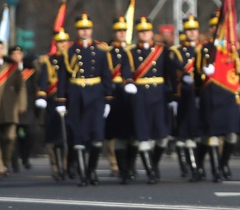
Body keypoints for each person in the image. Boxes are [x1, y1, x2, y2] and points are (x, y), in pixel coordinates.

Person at [58, 13, 113, 186]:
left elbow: (106, 76)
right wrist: (61, 100)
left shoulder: (100, 50)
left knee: (97, 137)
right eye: (81, 29)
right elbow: (62, 78)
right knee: (78, 136)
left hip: (95, 94)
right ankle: (83, 175)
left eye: (87, 29)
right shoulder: (69, 51)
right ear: (77, 31)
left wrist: (108, 99)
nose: (84, 32)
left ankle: (91, 171)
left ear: (91, 30)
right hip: (76, 94)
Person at [122, 16, 172, 184]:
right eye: (141, 32)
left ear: (152, 33)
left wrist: (174, 93)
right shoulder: (130, 52)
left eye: (147, 31)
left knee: (162, 135)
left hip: (158, 95)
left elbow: (170, 71)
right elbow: (126, 70)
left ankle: (154, 163)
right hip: (140, 95)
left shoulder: (161, 50)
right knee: (143, 135)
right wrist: (129, 82)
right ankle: (150, 170)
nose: (144, 34)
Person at [197, 10, 240, 182]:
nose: (217, 29)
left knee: (231, 135)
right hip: (211, 96)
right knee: (211, 134)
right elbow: (196, 75)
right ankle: (215, 169)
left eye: (220, 26)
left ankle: (223, 164)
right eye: (213, 27)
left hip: (229, 95)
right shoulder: (204, 49)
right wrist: (203, 74)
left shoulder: (232, 50)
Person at [169, 14, 205, 181]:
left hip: (199, 94)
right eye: (189, 30)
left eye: (194, 30)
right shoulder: (176, 52)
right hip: (182, 95)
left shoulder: (203, 50)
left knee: (197, 132)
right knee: (184, 132)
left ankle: (197, 165)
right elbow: (173, 74)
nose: (191, 33)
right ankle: (190, 166)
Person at [35, 29, 71, 180]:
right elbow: (43, 80)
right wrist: (42, 95)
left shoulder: (72, 58)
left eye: (64, 42)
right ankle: (55, 167)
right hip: (52, 100)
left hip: (68, 99)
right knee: (52, 134)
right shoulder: (49, 60)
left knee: (67, 134)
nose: (62, 45)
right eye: (59, 42)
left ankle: (66, 166)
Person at [105, 15, 135, 182]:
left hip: (131, 96)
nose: (122, 33)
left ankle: (130, 166)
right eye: (119, 31)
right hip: (115, 94)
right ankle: (119, 167)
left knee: (133, 135)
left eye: (124, 30)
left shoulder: (133, 50)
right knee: (116, 134)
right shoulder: (109, 52)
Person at [0, 40, 25, 177]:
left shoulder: (12, 67)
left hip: (9, 109)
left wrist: (21, 105)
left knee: (10, 137)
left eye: (1, 48)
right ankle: (0, 167)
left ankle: (5, 161)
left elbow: (21, 87)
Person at [10, 46, 36, 172]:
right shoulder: (5, 70)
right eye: (13, 54)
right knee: (12, 136)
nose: (16, 56)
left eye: (19, 53)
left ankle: (25, 157)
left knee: (31, 133)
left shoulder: (30, 71)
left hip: (27, 108)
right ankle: (14, 163)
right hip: (10, 108)